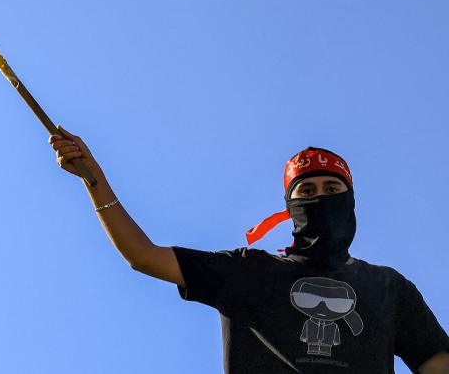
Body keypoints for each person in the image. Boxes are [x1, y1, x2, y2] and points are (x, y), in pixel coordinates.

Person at [49, 128, 449, 373]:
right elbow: (143, 255)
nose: (320, 197)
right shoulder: (248, 271)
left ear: (350, 199)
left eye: (332, 189)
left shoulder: (387, 286)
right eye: (306, 191)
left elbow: (435, 361)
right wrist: (93, 180)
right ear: (290, 209)